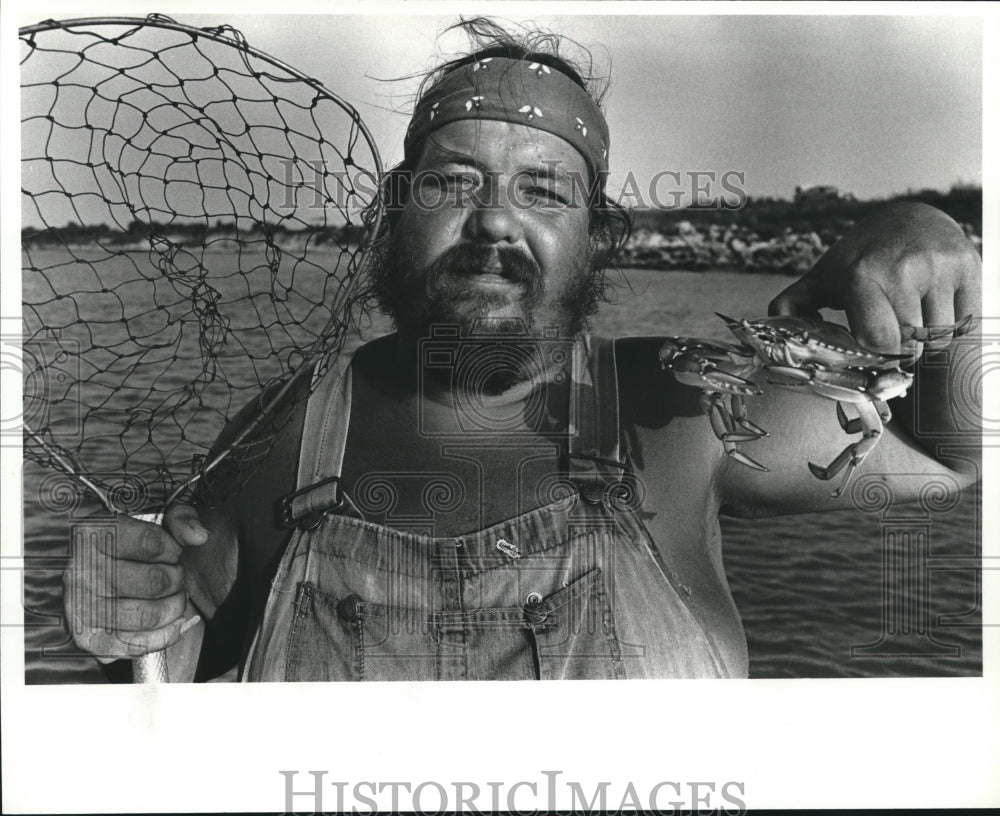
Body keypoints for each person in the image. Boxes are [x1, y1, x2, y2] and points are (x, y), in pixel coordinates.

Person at [64, 21, 982, 681]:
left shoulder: (677, 410)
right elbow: (164, 674)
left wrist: (945, 253)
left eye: (543, 189)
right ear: (394, 214)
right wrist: (120, 611)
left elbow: (946, 463)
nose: (495, 218)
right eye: (453, 181)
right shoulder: (283, 434)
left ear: (596, 238)